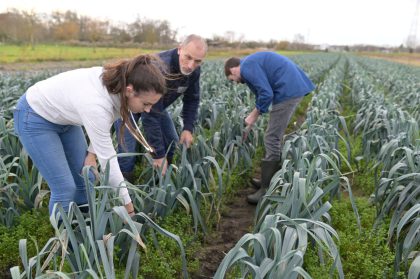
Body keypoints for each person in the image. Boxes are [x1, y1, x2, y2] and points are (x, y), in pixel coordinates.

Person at [13, 54, 166, 217]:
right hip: (35, 117)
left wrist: (91, 154)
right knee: (65, 189)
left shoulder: (119, 88)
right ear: (130, 91)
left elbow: (104, 125)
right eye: (146, 104)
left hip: (65, 120)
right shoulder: (96, 104)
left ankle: (82, 226)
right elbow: (109, 161)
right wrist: (129, 209)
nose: (148, 110)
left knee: (87, 179)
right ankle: (65, 240)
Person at [224, 52, 315, 204]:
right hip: (290, 87)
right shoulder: (250, 64)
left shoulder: (246, 67)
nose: (235, 82)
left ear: (233, 70)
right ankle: (269, 180)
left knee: (272, 136)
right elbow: (262, 94)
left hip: (288, 91)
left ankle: (266, 190)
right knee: (273, 135)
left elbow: (266, 94)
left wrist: (252, 116)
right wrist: (253, 119)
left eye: (231, 79)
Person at [114, 34, 207, 181]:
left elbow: (192, 99)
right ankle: (124, 189)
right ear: (179, 49)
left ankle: (162, 182)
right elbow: (149, 117)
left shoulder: (193, 71)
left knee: (171, 141)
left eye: (197, 61)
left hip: (157, 107)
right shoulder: (161, 67)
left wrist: (188, 128)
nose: (191, 65)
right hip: (130, 105)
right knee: (127, 153)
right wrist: (158, 155)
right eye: (188, 57)